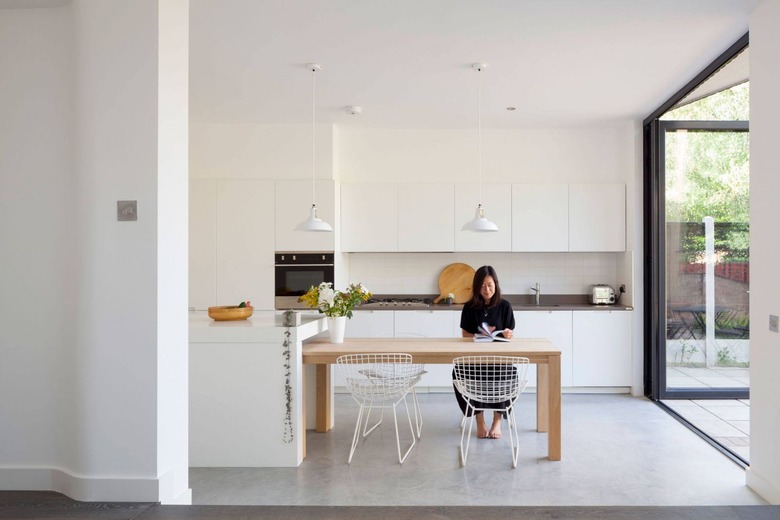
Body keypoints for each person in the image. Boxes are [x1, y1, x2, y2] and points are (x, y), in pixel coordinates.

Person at [453, 265, 515, 439]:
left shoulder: (505, 306)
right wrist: (478, 336)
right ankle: (479, 419)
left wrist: (507, 334)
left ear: (495, 284)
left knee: (508, 373)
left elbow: (510, 333)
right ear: (476, 287)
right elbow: (465, 334)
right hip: (476, 357)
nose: (486, 290)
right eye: (482, 286)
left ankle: (497, 421)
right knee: (459, 372)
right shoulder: (469, 307)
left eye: (489, 285)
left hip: (499, 359)